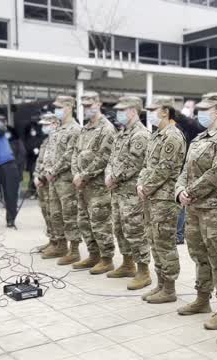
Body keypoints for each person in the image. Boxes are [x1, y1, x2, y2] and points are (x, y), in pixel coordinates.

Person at [175, 92, 217, 330]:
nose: (199, 113)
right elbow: (185, 168)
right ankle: (202, 299)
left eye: (204, 109)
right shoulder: (200, 137)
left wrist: (190, 191)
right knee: (199, 255)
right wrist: (180, 189)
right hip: (194, 207)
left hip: (213, 209)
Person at [137, 96, 186, 304]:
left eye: (153, 109)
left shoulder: (173, 136)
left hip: (164, 199)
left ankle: (170, 288)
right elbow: (147, 165)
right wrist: (140, 184)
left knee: (164, 243)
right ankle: (160, 283)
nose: (149, 113)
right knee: (153, 240)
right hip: (151, 198)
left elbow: (164, 169)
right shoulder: (156, 135)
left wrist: (145, 187)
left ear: (165, 111)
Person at [105, 96, 151, 289]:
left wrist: (113, 177)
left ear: (133, 110)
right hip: (117, 192)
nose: (119, 114)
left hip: (131, 193)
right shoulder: (122, 134)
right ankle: (127, 264)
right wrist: (109, 173)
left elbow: (134, 163)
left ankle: (143, 271)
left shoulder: (140, 134)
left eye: (123, 110)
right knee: (119, 229)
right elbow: (112, 158)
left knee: (135, 231)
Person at [70, 92, 117, 274]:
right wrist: (76, 174)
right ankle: (93, 255)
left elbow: (103, 157)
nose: (87, 109)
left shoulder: (107, 129)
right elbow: (75, 152)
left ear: (99, 104)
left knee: (100, 223)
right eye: (84, 106)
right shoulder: (85, 129)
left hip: (97, 187)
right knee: (84, 222)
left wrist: (84, 175)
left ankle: (107, 259)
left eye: (90, 105)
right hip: (82, 186)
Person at [42, 96, 82, 265]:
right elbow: (49, 152)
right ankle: (60, 245)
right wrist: (46, 170)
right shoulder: (58, 128)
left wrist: (53, 170)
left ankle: (74, 250)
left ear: (68, 107)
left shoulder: (74, 129)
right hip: (53, 179)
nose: (57, 110)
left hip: (65, 180)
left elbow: (69, 155)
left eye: (59, 107)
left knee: (69, 215)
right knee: (55, 213)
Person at [173, 100, 203, 246]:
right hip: (183, 168)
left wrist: (176, 113)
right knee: (181, 203)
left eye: (189, 107)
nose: (187, 109)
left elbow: (188, 124)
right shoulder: (181, 126)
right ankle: (178, 233)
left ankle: (179, 234)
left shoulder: (197, 126)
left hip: (195, 171)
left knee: (184, 206)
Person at [34, 113, 60, 253]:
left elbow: (53, 163)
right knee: (46, 212)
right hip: (42, 182)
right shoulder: (46, 141)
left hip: (51, 182)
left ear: (55, 124)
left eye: (46, 124)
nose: (43, 127)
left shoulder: (57, 141)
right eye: (43, 125)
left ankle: (58, 243)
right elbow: (40, 161)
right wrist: (36, 175)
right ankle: (52, 240)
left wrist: (42, 177)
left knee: (54, 213)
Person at [25, 122, 44, 199]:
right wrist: (32, 151)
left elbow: (42, 147)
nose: (33, 131)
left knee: (39, 177)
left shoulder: (40, 138)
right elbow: (26, 149)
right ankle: (32, 192)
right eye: (31, 130)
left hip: (39, 160)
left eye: (34, 130)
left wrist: (39, 150)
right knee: (32, 177)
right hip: (31, 161)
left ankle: (38, 193)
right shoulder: (28, 139)